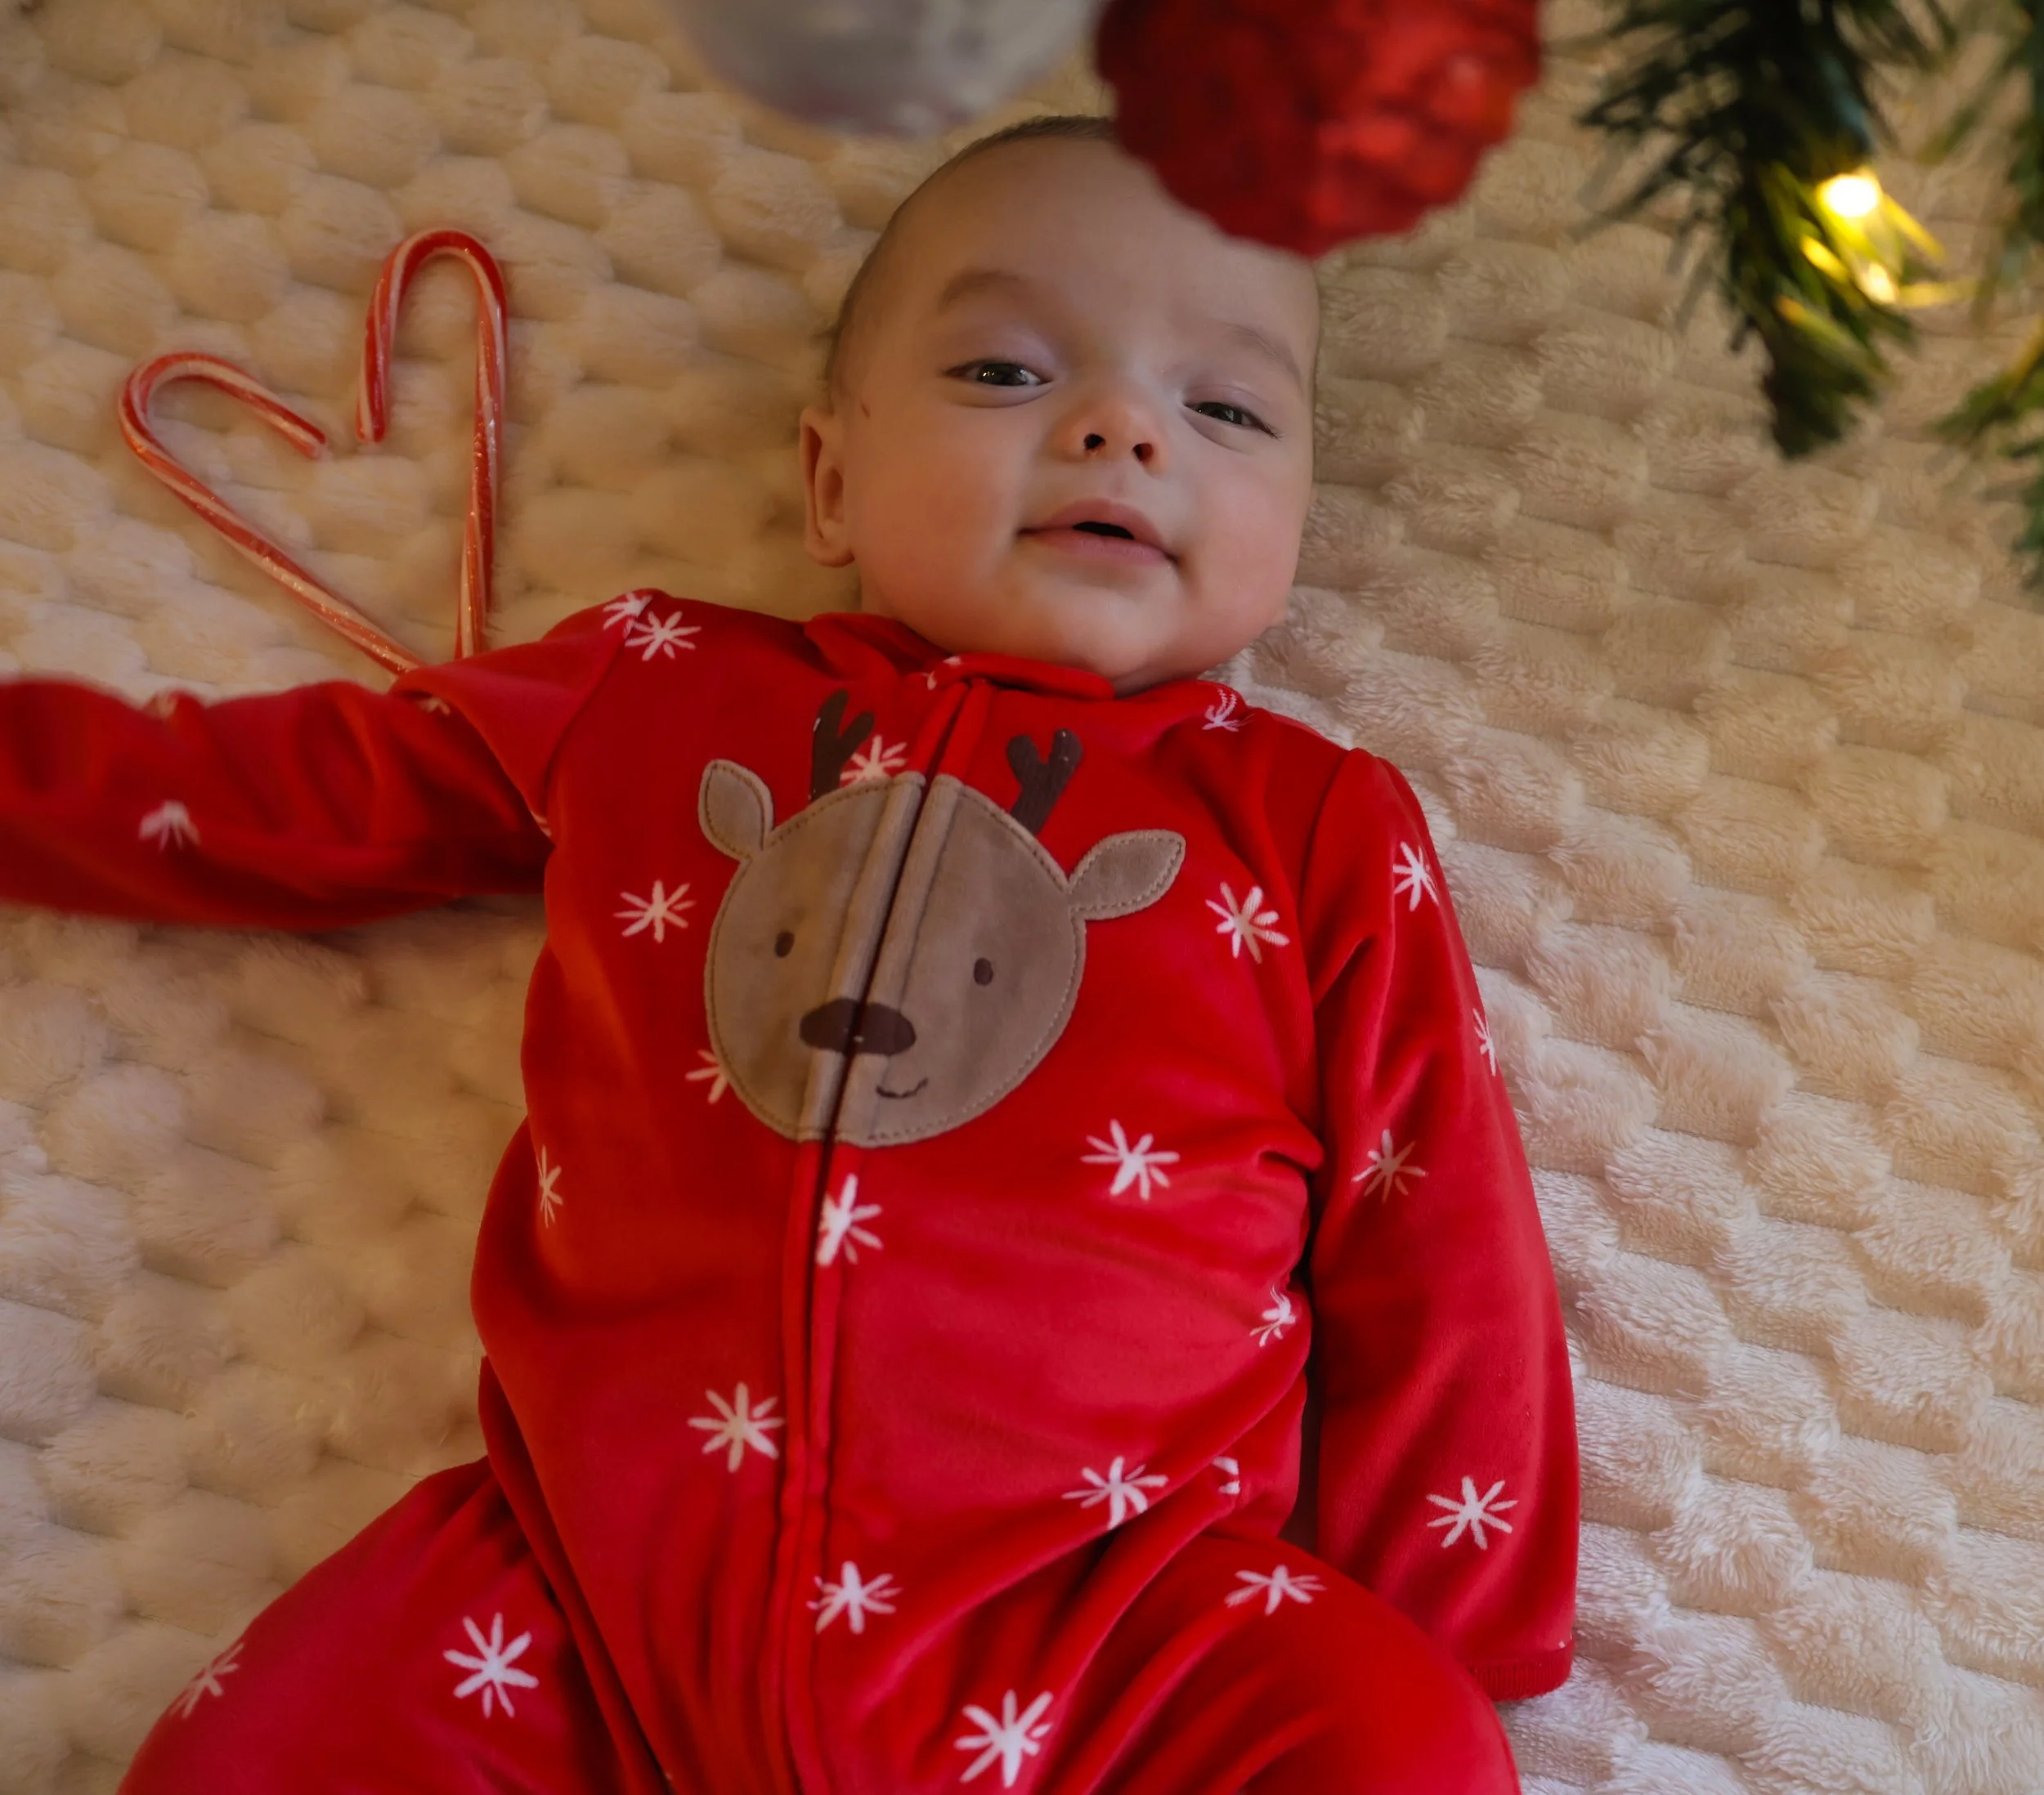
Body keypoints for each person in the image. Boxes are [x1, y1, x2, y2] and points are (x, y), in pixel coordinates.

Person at [0, 114, 1576, 1793]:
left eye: (1227, 408)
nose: (1122, 432)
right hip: (580, 1586)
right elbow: (296, 793)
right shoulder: (659, 686)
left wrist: (1449, 1616)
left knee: (1390, 1746)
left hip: (1114, 1613)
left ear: (1293, 516)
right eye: (1001, 373)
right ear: (827, 478)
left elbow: (1433, 1211)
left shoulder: (1305, 818)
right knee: (260, 1759)